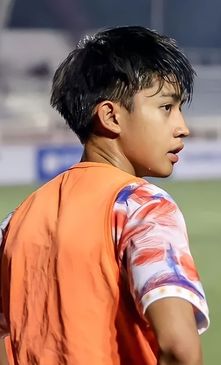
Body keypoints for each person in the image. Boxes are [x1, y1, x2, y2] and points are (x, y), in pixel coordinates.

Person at [0, 26, 209, 365]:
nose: (182, 126)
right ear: (111, 116)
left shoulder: (16, 221)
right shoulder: (141, 207)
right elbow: (179, 347)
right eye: (167, 107)